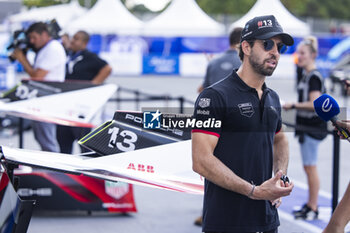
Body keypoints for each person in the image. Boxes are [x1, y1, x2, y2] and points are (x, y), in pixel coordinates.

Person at [191, 15, 294, 233]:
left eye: (279, 47)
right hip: (226, 222)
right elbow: (201, 161)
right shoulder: (215, 96)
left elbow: (280, 140)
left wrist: (280, 177)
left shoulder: (273, 98)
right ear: (246, 47)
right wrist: (254, 191)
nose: (274, 51)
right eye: (267, 44)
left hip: (267, 221)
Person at [283, 36, 327, 220]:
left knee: (310, 167)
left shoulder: (313, 76)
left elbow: (315, 103)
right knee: (308, 167)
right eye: (298, 52)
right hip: (308, 127)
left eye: (303, 53)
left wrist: (293, 105)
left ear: (313, 55)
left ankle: (313, 205)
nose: (299, 56)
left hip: (312, 127)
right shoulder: (307, 74)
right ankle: (311, 204)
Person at [11, 22, 66, 152]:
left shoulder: (53, 48)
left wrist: (22, 59)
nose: (32, 41)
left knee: (47, 140)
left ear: (45, 34)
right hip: (42, 99)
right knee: (42, 138)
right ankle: (50, 168)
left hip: (48, 100)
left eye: (34, 37)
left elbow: (37, 76)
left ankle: (54, 169)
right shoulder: (46, 49)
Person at [56, 30, 112, 154]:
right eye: (72, 38)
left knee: (83, 141)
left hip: (80, 106)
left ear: (85, 43)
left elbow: (107, 68)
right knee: (63, 140)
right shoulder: (67, 55)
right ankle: (64, 169)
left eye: (76, 39)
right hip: (64, 104)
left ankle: (84, 170)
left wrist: (93, 85)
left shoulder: (90, 57)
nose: (72, 41)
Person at [197, 27, 243, 93]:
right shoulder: (245, 63)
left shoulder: (213, 62)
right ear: (244, 43)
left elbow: (201, 90)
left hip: (215, 101)